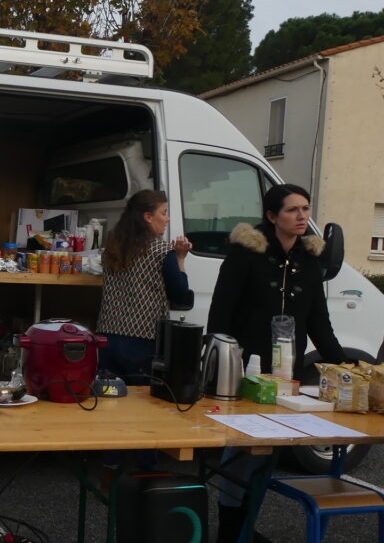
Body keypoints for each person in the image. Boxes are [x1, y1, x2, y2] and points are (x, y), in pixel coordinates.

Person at [207, 183, 346, 543]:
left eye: (306, 208)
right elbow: (220, 313)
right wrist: (219, 363)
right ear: (272, 216)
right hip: (244, 371)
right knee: (241, 453)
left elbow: (319, 322)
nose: (302, 216)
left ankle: (244, 527)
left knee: (267, 454)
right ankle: (230, 531)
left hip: (286, 376)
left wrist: (346, 367)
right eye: (292, 210)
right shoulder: (246, 253)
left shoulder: (310, 260)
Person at [96, 189, 193, 386]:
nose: (167, 219)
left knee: (108, 394)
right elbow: (180, 294)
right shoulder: (161, 251)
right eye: (164, 213)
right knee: (139, 400)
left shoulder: (113, 248)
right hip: (142, 339)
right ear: (148, 217)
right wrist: (181, 258)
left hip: (106, 336)